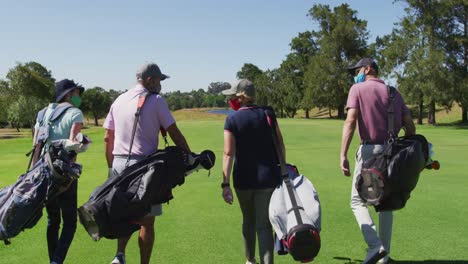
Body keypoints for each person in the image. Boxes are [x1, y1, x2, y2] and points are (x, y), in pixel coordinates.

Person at [103, 62, 191, 264]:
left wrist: (111, 168)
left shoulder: (118, 100)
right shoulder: (157, 100)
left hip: (118, 165)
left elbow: (108, 137)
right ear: (150, 80)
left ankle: (120, 256)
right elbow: (173, 132)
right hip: (144, 169)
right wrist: (189, 154)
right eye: (159, 80)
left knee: (124, 215)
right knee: (147, 222)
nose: (161, 84)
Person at [340, 58, 416, 264]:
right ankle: (385, 257)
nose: (355, 74)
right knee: (385, 203)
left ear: (367, 69)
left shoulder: (357, 89)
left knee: (357, 201)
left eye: (356, 70)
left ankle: (375, 246)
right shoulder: (394, 92)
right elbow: (410, 126)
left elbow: (350, 121)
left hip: (369, 151)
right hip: (392, 153)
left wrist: (343, 154)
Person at [221, 79, 285, 264]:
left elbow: (228, 153)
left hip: (243, 179)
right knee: (264, 226)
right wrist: (284, 169)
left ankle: (250, 260)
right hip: (269, 178)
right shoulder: (268, 113)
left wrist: (225, 184)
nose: (231, 100)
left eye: (233, 96)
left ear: (240, 97)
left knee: (248, 220)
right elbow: (280, 143)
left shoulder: (232, 119)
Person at [32, 79, 85, 264]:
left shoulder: (42, 114)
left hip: (43, 174)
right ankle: (56, 262)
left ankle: (52, 261)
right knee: (70, 223)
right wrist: (82, 144)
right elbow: (74, 145)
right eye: (77, 93)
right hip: (64, 175)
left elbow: (35, 145)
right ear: (69, 94)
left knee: (52, 221)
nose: (79, 97)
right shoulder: (75, 113)